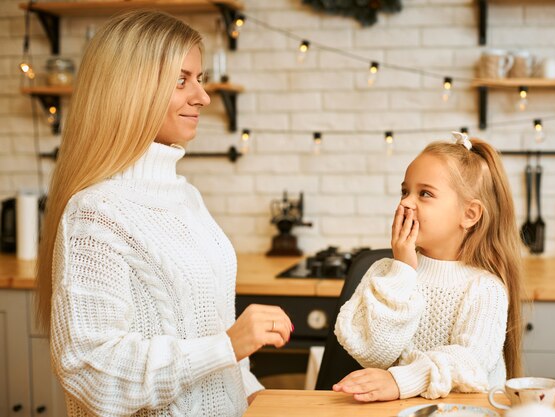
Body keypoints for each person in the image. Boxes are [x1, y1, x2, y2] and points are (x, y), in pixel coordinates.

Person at [36, 11, 292, 417]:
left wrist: (259, 397)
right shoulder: (94, 213)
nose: (202, 97)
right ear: (130, 90)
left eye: (200, 78)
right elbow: (91, 371)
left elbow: (215, 337)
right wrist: (228, 344)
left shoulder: (186, 197)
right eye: (181, 80)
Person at [333, 132, 523, 402]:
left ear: (469, 215)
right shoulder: (385, 273)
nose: (405, 202)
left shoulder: (485, 289)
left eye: (424, 194)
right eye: (404, 191)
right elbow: (372, 354)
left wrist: (400, 381)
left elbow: (469, 362)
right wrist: (403, 271)